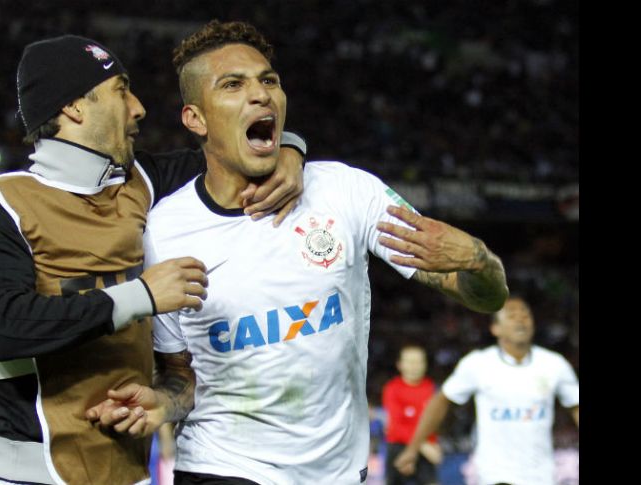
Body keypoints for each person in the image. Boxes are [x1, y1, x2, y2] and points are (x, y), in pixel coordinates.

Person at [86, 20, 509, 485]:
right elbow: (181, 377)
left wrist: (479, 260)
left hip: (337, 471)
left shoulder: (346, 191)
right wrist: (163, 402)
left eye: (269, 80)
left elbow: (484, 298)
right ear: (196, 119)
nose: (261, 94)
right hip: (222, 466)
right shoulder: (165, 231)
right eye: (233, 84)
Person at [0, 34, 307, 485]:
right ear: (74, 108)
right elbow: (0, 328)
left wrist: (289, 151)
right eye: (121, 90)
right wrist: (141, 295)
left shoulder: (141, 181)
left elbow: (234, 154)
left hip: (128, 474)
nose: (139, 107)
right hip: (18, 476)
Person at [394, 297, 579, 485]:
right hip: (494, 476)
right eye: (512, 316)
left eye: (525, 315)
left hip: (541, 477)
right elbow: (442, 400)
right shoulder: (478, 363)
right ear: (495, 328)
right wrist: (413, 447)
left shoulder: (554, 364)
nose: (521, 319)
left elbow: (576, 406)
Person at [382, 345, 441, 485]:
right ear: (400, 365)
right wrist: (421, 445)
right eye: (410, 362)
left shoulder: (432, 388)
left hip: (427, 450)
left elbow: (434, 421)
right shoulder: (392, 388)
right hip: (400, 447)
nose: (414, 366)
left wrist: (433, 444)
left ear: (425, 364)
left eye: (419, 361)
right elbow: (395, 426)